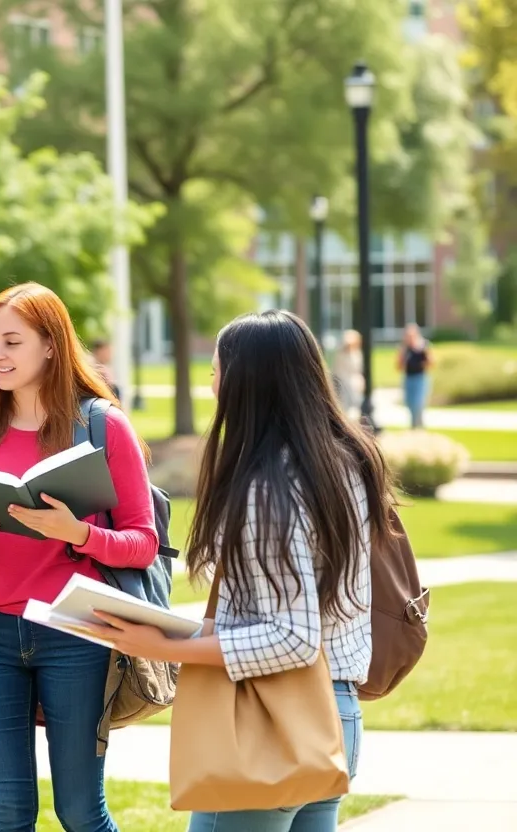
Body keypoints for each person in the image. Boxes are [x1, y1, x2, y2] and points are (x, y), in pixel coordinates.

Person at [87, 310, 392, 832]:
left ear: (245, 381)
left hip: (271, 723)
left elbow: (292, 637)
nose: (211, 386)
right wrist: (178, 630)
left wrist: (163, 647)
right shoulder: (346, 461)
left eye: (215, 371)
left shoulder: (269, 487)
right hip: (334, 716)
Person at [0, 283, 158, 832]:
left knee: (80, 811)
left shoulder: (102, 425)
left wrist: (76, 533)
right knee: (8, 813)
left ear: (51, 345)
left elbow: (143, 541)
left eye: (13, 341)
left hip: (75, 631)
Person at [397, 324, 433, 428]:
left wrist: (423, 351)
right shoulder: (405, 349)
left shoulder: (423, 346)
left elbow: (431, 363)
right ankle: (414, 427)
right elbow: (399, 366)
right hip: (408, 378)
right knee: (410, 404)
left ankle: (419, 427)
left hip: (420, 378)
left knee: (418, 404)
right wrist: (403, 352)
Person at [332, 329, 365, 419]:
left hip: (354, 383)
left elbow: (358, 370)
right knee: (344, 406)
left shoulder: (357, 353)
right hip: (343, 382)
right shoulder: (341, 354)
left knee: (355, 406)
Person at [89, 337, 121, 402]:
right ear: (99, 351)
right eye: (107, 351)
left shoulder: (105, 367)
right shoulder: (94, 367)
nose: (110, 354)